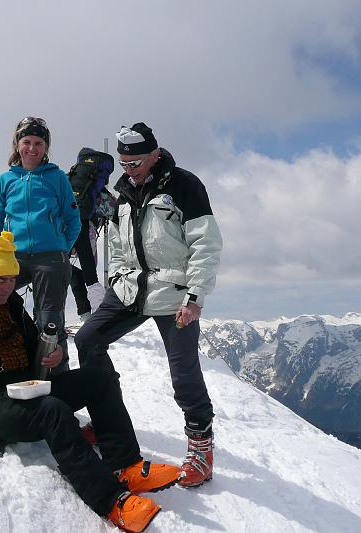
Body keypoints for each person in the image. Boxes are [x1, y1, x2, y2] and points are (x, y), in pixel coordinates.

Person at [0, 232, 179, 532]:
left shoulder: (10, 302)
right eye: (2, 280)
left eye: (12, 279)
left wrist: (53, 354)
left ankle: (127, 465)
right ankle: (111, 500)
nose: (10, 286)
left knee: (100, 377)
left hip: (30, 386)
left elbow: (33, 341)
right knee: (53, 410)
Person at [75, 123, 223, 488]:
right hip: (130, 290)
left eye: (136, 162)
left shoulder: (184, 186)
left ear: (155, 154)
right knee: (88, 340)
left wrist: (194, 297)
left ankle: (201, 445)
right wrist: (114, 279)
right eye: (124, 164)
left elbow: (206, 243)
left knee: (183, 372)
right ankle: (107, 418)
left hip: (174, 293)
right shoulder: (123, 192)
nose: (130, 170)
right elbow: (120, 242)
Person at [0, 117, 81, 373]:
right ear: (17, 145)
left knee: (50, 321)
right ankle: (8, 367)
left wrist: (61, 249)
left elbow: (73, 221)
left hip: (50, 259)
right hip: (12, 258)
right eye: (27, 142)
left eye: (39, 143)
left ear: (46, 147)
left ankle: (58, 383)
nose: (32, 148)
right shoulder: (5, 181)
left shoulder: (57, 178)